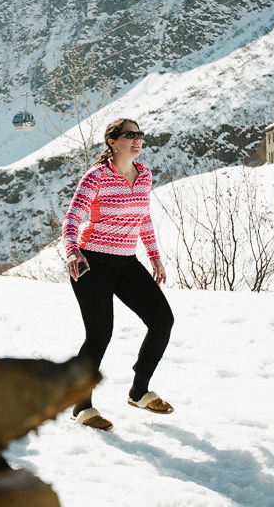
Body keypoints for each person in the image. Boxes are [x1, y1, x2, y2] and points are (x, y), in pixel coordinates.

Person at [62, 118, 175, 431]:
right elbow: (72, 219)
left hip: (126, 263)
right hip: (91, 263)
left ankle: (139, 391)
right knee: (99, 335)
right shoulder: (96, 176)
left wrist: (155, 257)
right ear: (112, 141)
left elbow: (143, 218)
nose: (137, 140)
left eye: (140, 135)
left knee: (162, 320)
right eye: (130, 135)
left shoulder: (144, 175)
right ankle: (81, 405)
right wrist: (73, 252)